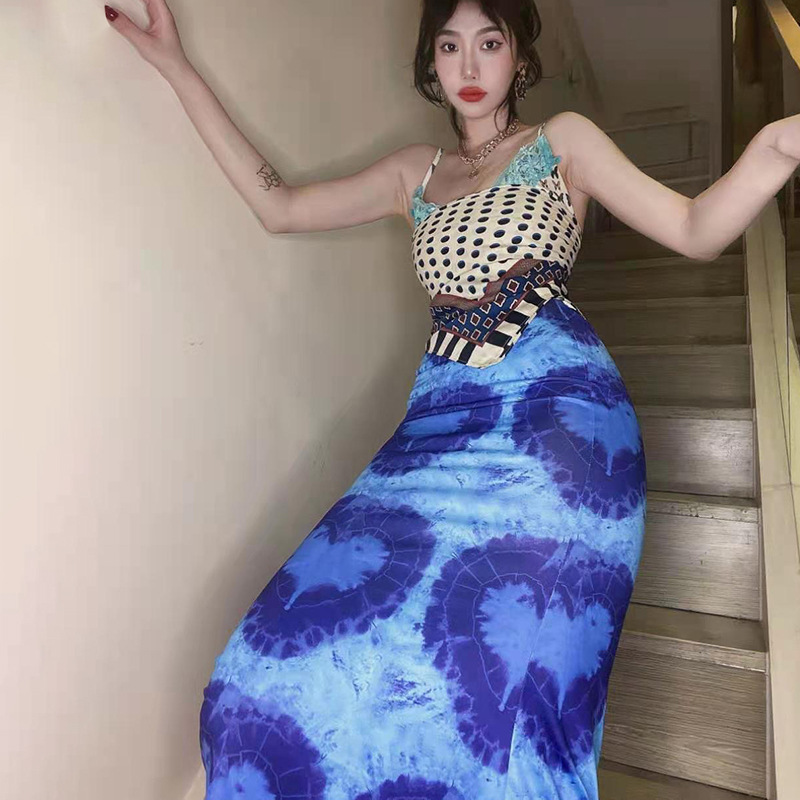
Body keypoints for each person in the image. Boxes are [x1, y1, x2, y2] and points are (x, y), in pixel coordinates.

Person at [106, 1, 799, 797]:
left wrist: (776, 146)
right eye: (449, 46)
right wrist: (177, 68)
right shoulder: (415, 173)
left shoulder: (561, 142)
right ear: (430, 64)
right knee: (260, 675)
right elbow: (280, 207)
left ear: (520, 58)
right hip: (436, 426)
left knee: (503, 702)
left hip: (557, 424)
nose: (469, 66)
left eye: (489, 43)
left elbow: (695, 227)